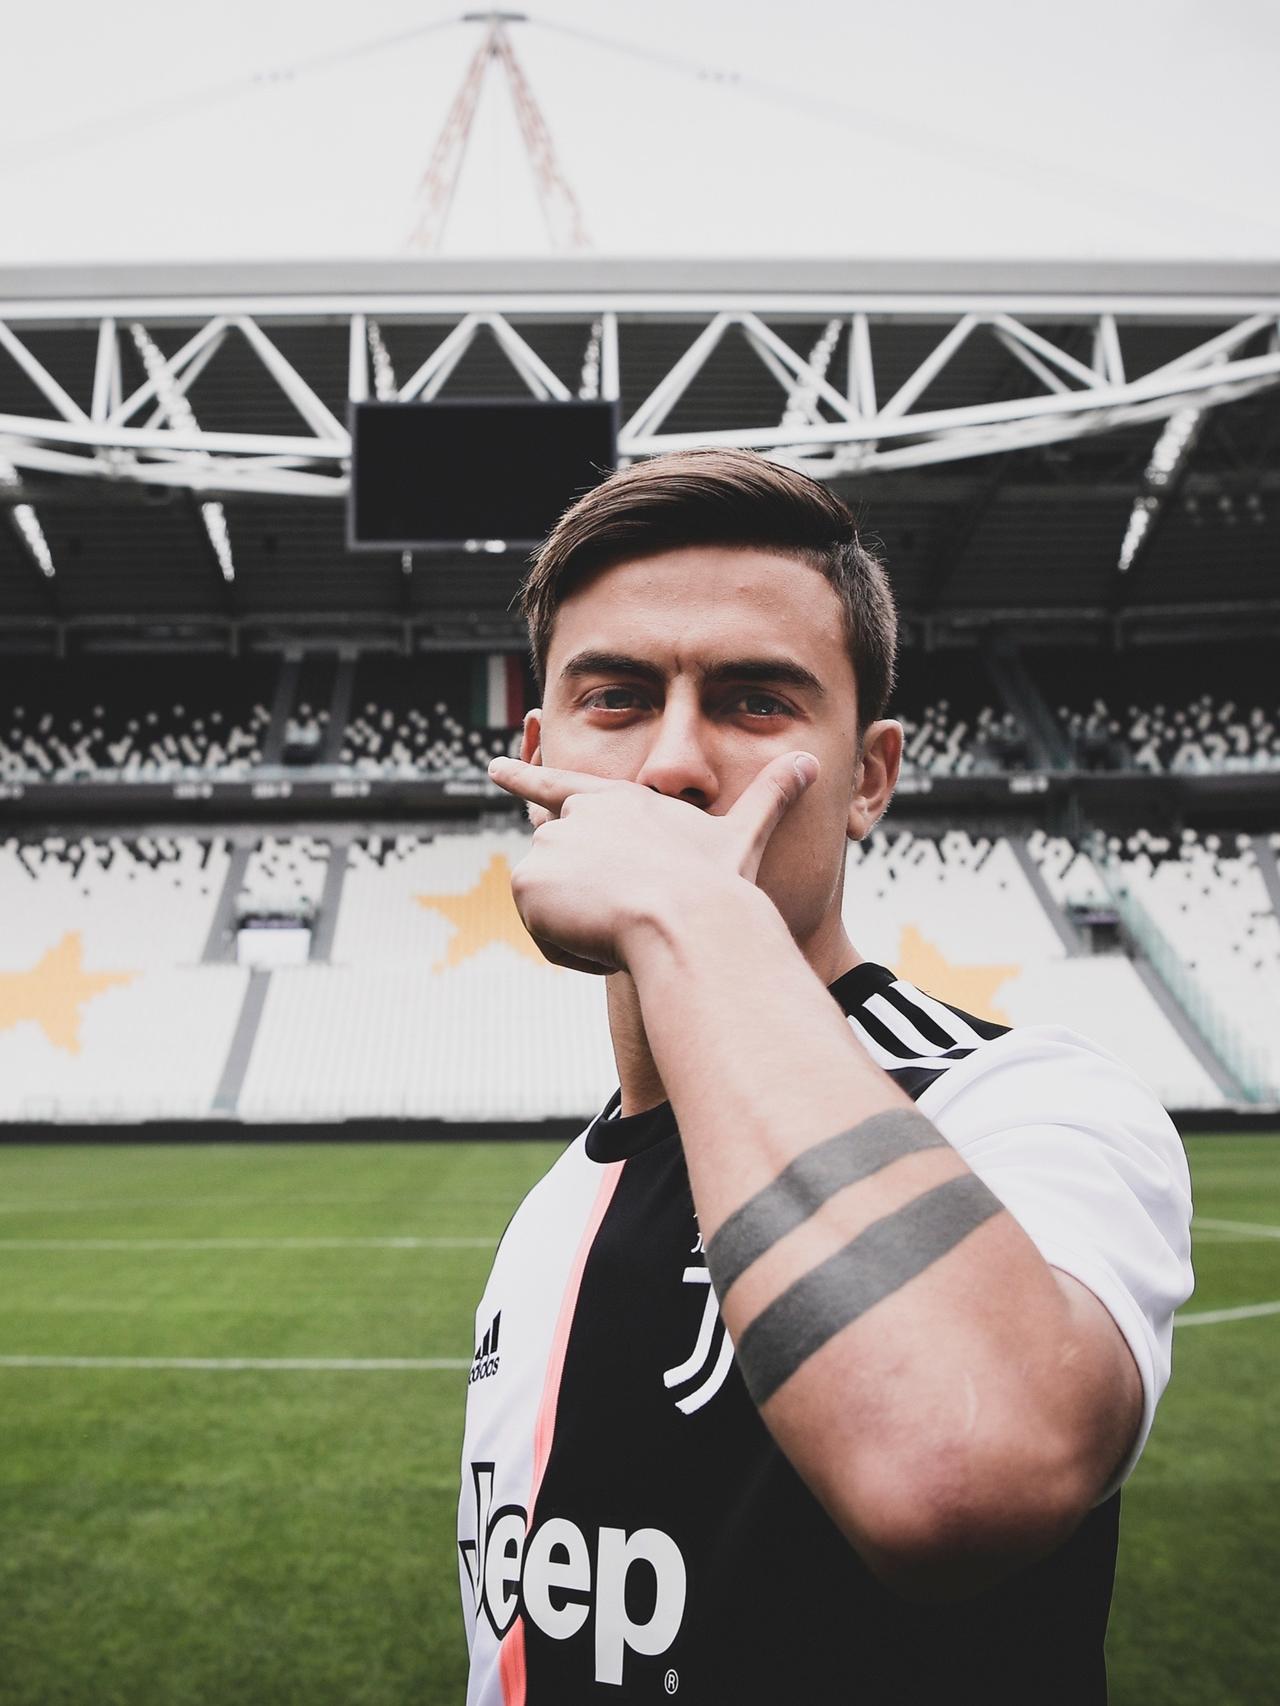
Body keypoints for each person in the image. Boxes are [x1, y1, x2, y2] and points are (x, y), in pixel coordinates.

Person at [457, 447, 1193, 1704]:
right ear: (538, 756)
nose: (672, 766)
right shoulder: (555, 1203)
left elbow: (959, 1470)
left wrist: (691, 914)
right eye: (614, 698)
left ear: (868, 776)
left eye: (753, 702)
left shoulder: (1019, 1105)